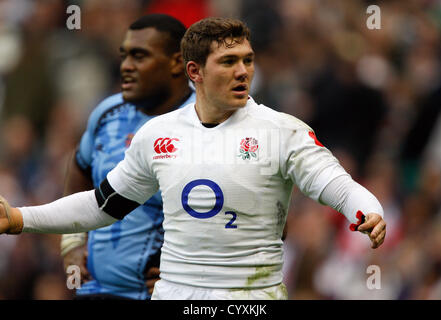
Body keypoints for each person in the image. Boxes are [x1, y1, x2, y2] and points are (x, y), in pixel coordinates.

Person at [0, 17, 386, 300]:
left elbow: (336, 185)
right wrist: (20, 218)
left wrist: (367, 209)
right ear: (194, 71)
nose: (243, 72)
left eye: (247, 60)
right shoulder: (157, 136)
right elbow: (103, 205)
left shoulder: (282, 131)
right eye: (228, 62)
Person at [60, 14, 195, 300]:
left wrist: (193, 271)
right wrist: (72, 242)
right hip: (95, 290)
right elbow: (80, 169)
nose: (125, 67)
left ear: (176, 62)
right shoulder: (107, 113)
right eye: (124, 56)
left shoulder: (208, 122)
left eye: (139, 56)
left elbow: (249, 212)